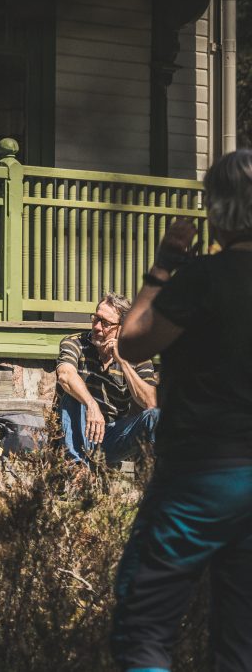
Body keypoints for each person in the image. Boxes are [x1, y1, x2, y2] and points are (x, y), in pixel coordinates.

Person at [112, 149, 252, 671]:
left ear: (216, 210)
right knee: (240, 640)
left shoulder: (202, 278)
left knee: (144, 625)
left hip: (199, 474)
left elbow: (131, 342)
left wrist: (165, 264)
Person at [54, 293, 159, 465]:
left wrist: (123, 362)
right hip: (74, 433)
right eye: (95, 318)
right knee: (73, 394)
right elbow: (65, 375)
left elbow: (151, 402)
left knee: (155, 417)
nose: (96, 327)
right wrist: (91, 404)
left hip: (110, 438)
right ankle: (77, 472)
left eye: (106, 323)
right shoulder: (75, 343)